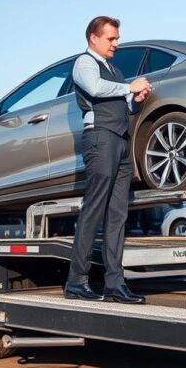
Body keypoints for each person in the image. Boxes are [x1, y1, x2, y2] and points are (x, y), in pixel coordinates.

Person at [64, 16, 152, 304]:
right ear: (93, 38)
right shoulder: (85, 63)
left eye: (116, 37)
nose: (116, 42)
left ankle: (115, 283)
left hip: (120, 140)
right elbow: (95, 89)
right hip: (100, 138)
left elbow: (123, 103)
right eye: (111, 38)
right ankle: (76, 281)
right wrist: (129, 87)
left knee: (118, 214)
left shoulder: (113, 69)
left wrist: (135, 97)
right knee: (95, 209)